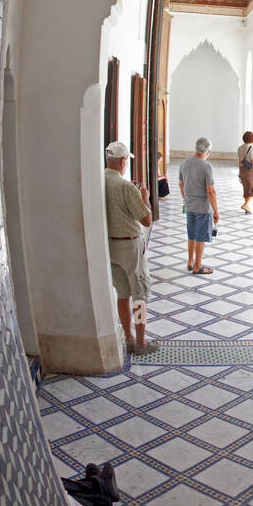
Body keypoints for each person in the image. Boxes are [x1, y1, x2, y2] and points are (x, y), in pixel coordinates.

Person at [104, 140, 156, 354]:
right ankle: (142, 342)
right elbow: (146, 220)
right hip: (130, 246)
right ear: (123, 162)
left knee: (122, 293)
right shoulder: (126, 186)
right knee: (140, 295)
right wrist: (144, 198)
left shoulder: (99, 180)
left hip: (110, 245)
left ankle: (129, 338)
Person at [178, 137, 220, 273]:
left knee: (191, 234)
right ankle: (198, 266)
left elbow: (181, 184)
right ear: (208, 151)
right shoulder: (206, 166)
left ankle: (190, 261)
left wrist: (186, 198)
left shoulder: (184, 163)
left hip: (189, 205)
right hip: (202, 207)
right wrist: (215, 211)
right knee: (201, 237)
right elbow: (211, 191)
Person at [238, 130, 253, 214]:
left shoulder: (239, 148)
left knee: (246, 189)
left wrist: (240, 173)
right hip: (250, 171)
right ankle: (245, 204)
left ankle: (247, 208)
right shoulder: (251, 148)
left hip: (242, 170)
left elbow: (239, 162)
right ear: (252, 138)